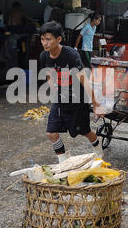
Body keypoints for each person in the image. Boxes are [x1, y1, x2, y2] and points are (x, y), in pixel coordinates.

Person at [39, 21, 105, 163]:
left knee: (84, 132)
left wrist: (95, 103)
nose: (45, 43)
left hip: (78, 99)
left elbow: (84, 81)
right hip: (60, 99)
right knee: (51, 133)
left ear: (59, 39)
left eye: (48, 39)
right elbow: (49, 74)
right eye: (42, 39)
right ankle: (63, 161)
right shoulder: (44, 56)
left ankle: (98, 149)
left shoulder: (71, 55)